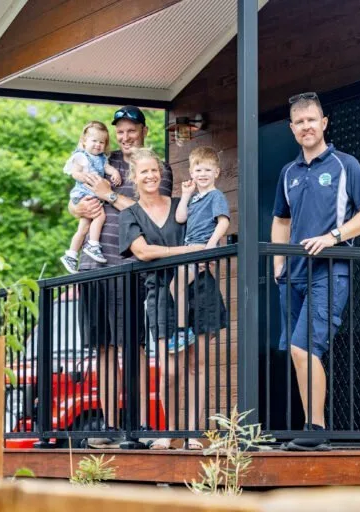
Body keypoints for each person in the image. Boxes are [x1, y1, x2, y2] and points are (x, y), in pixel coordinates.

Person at [271, 91, 360, 451]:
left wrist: (334, 237)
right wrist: (278, 264)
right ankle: (311, 427)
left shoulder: (345, 165)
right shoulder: (288, 173)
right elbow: (280, 219)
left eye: (311, 120)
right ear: (292, 128)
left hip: (330, 272)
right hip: (294, 275)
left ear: (324, 123)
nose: (306, 127)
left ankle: (315, 428)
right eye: (299, 122)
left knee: (304, 349)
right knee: (297, 351)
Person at [69, 106, 172, 447]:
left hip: (129, 267)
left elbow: (153, 211)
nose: (126, 137)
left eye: (132, 130)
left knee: (134, 347)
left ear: (144, 131)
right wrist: (76, 207)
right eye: (121, 131)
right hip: (92, 266)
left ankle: (140, 425)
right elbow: (77, 194)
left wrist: (108, 195)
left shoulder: (156, 167)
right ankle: (110, 428)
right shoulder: (101, 158)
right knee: (102, 349)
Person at [119, 148, 226, 451]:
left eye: (155, 170)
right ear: (134, 178)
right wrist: (190, 252)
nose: (151, 176)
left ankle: (193, 433)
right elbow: (144, 252)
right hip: (162, 296)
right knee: (169, 369)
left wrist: (208, 251)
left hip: (200, 289)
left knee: (198, 365)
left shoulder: (184, 203)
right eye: (144, 172)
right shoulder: (131, 214)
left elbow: (209, 229)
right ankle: (168, 432)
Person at [169, 146, 230, 350]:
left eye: (207, 170)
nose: (202, 174)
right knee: (177, 286)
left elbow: (223, 223)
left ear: (216, 172)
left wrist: (210, 247)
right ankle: (183, 329)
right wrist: (186, 194)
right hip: (190, 249)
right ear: (191, 173)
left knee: (176, 285)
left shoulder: (216, 196)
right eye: (198, 170)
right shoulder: (195, 199)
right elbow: (180, 217)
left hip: (201, 248)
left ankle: (182, 331)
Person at [61, 121, 122, 271]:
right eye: (94, 141)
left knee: (83, 227)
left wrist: (114, 172)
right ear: (84, 141)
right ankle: (93, 244)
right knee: (100, 216)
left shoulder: (101, 158)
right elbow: (75, 172)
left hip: (92, 194)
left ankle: (71, 254)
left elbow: (106, 168)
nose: (98, 145)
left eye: (102, 142)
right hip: (84, 193)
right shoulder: (81, 156)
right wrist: (84, 177)